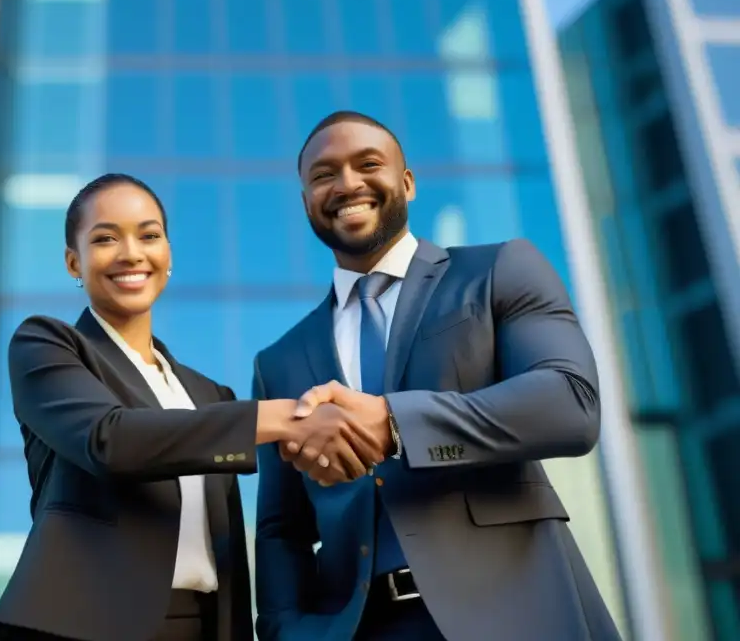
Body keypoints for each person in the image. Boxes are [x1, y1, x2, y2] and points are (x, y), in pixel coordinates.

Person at [252, 112, 622, 641]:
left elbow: (571, 401)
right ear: (307, 199)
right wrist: (286, 631)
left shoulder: (499, 270)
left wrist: (394, 421)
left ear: (407, 182)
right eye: (323, 174)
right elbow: (280, 529)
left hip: (516, 613)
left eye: (368, 164)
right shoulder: (278, 361)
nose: (348, 183)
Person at [0, 173, 384, 641]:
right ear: (75, 262)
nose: (131, 253)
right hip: (90, 623)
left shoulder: (207, 395)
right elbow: (110, 440)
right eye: (106, 238)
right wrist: (284, 416)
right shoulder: (47, 346)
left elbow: (228, 545)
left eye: (149, 235)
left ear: (168, 255)